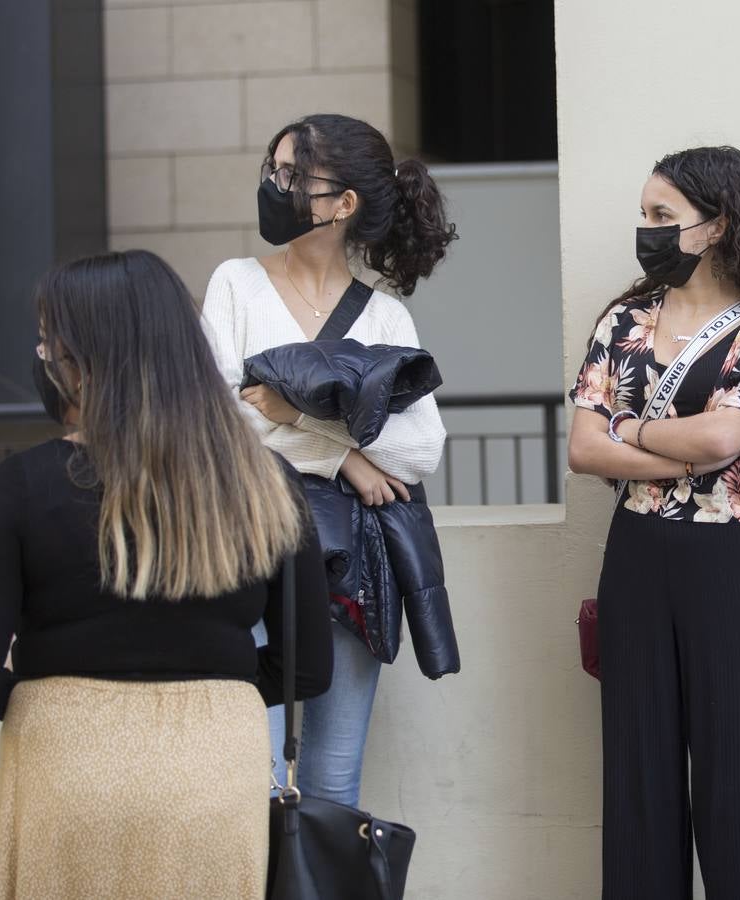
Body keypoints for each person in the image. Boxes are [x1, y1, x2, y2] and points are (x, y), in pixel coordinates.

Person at [0, 250, 333, 900]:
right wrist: (207, 693)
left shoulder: (19, 489)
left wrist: (64, 699)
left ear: (83, 363)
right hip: (214, 778)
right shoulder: (268, 484)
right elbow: (308, 669)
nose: (42, 358)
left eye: (48, 346)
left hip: (66, 774)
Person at [567, 146, 740, 899]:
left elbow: (724, 441)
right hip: (636, 560)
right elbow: (585, 451)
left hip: (729, 565)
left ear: (715, 226)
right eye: (644, 214)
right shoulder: (623, 321)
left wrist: (631, 431)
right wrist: (678, 451)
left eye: (663, 216)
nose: (646, 229)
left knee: (735, 786)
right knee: (637, 784)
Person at [201, 113, 453, 806]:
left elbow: (422, 448)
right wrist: (346, 460)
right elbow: (219, 420)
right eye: (272, 170)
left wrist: (300, 414)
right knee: (249, 780)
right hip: (248, 552)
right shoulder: (236, 285)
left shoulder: (384, 319)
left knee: (332, 783)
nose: (272, 185)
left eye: (292, 175)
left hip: (350, 568)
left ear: (344, 204)